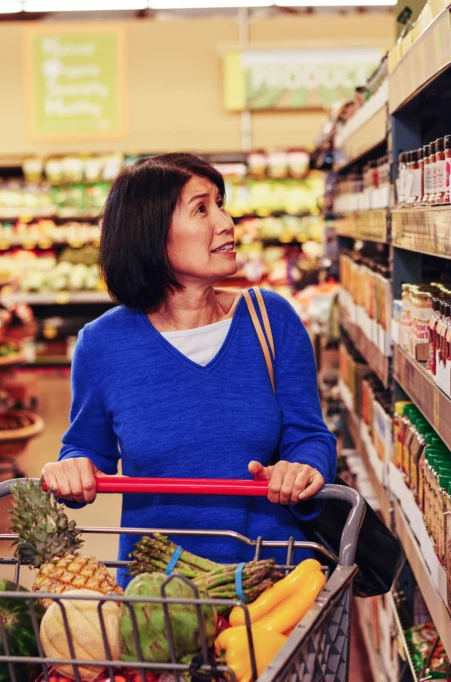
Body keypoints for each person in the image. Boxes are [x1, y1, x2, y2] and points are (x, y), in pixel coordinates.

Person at [41, 153, 336, 581]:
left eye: (221, 204)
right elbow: (86, 449)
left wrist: (304, 466)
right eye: (201, 209)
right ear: (151, 232)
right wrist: (70, 469)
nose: (226, 222)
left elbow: (310, 435)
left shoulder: (271, 320)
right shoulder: (103, 344)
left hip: (273, 580)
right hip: (159, 590)